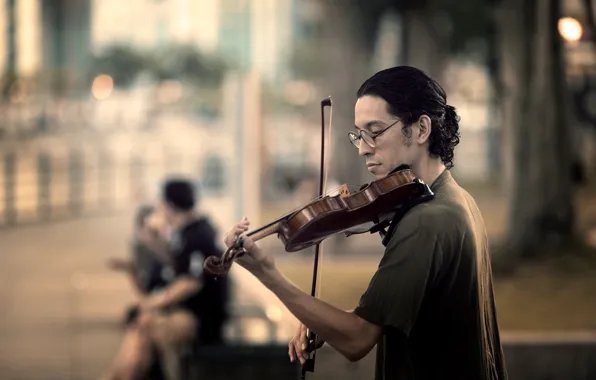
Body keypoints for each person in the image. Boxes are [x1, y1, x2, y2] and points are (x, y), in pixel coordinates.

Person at [223, 66, 507, 379]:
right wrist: (324, 320)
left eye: (375, 131)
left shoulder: (427, 221)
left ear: (422, 129)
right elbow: (402, 316)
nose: (362, 148)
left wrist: (267, 273)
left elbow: (357, 339)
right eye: (359, 134)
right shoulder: (457, 199)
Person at [100, 178, 229, 380]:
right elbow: (177, 263)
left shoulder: (198, 234)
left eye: (161, 203)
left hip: (200, 319)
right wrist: (152, 242)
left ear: (169, 205)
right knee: (142, 333)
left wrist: (152, 303)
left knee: (145, 326)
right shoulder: (190, 231)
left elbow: (190, 283)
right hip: (187, 313)